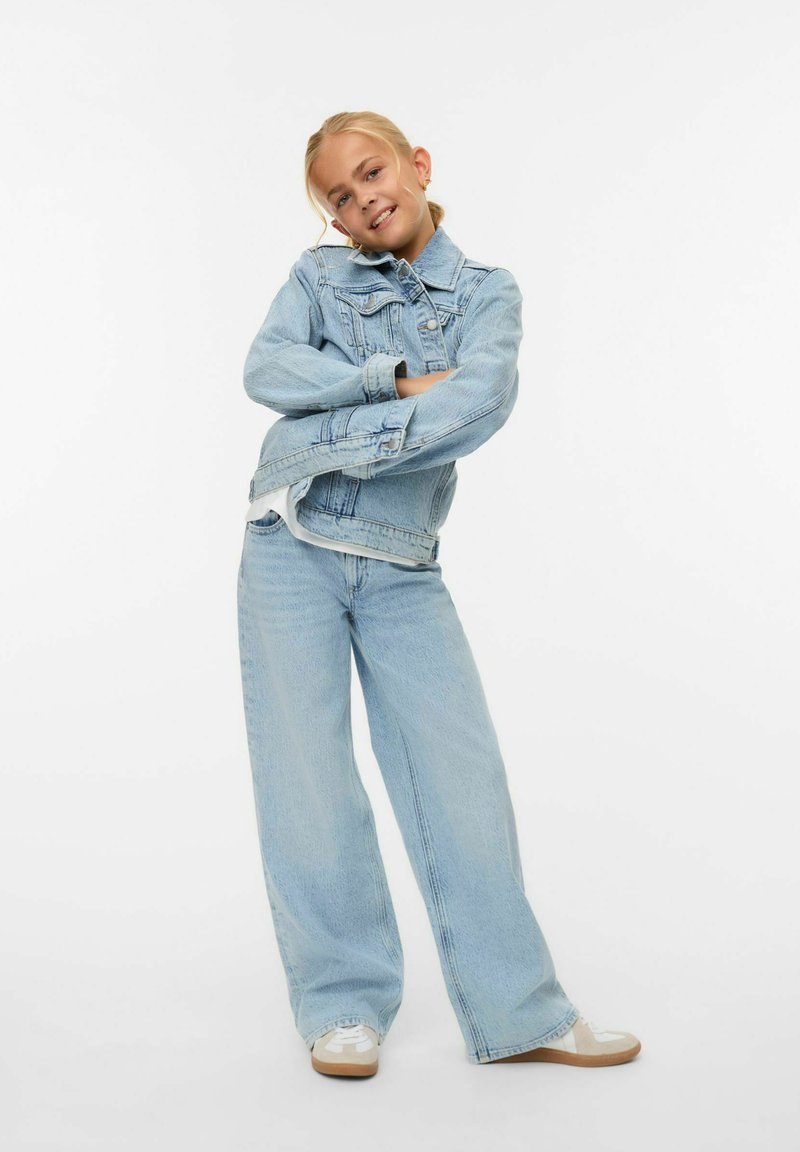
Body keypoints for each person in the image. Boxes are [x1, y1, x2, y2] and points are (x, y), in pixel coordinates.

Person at [237, 110, 641, 1077]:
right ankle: (343, 1005)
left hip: (401, 560)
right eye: (340, 197)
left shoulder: (486, 292)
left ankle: (519, 1011)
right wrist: (397, 383)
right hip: (284, 546)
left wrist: (331, 425)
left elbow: (480, 402)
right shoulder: (316, 278)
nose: (363, 200)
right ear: (334, 219)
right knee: (308, 783)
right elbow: (267, 370)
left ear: (416, 165)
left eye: (373, 173)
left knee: (461, 781)